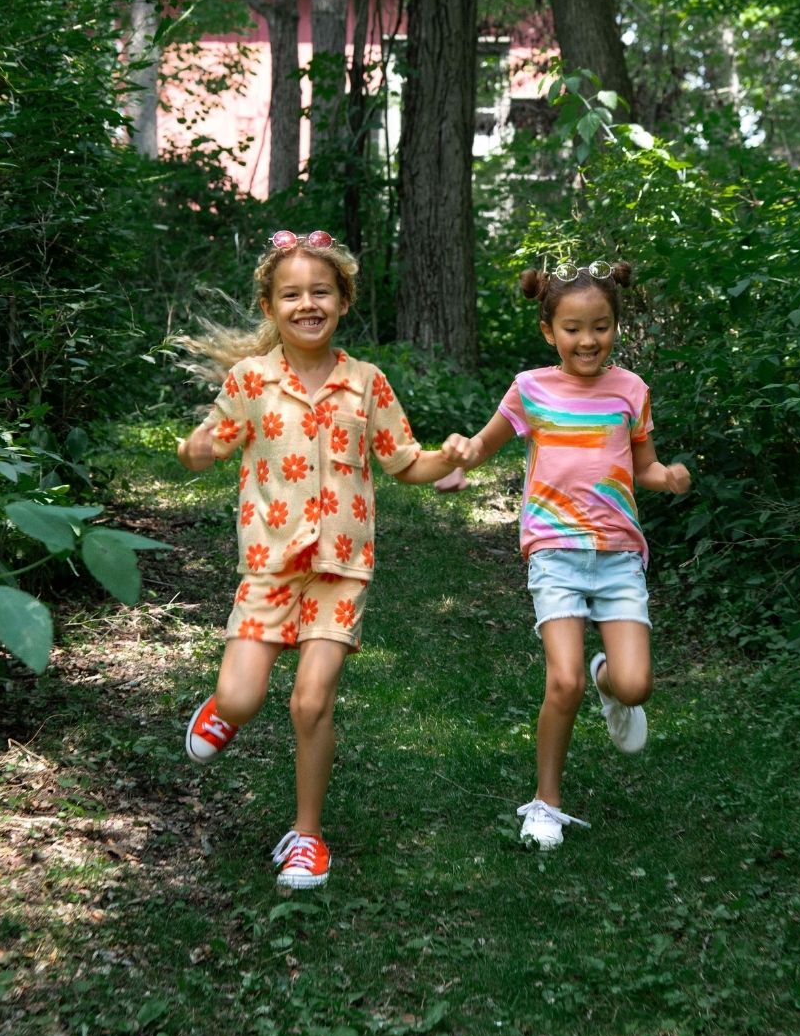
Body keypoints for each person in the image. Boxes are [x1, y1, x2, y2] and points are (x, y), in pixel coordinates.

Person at [176, 229, 460, 888]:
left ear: (343, 300)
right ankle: (223, 711)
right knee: (241, 696)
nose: (308, 304)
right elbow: (206, 449)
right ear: (270, 306)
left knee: (310, 703)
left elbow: (404, 461)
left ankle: (308, 837)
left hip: (341, 569)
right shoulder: (250, 380)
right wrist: (192, 450)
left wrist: (447, 459)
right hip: (269, 566)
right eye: (292, 294)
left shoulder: (366, 383)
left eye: (321, 292)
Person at [441, 259, 691, 850]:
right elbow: (484, 443)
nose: (588, 340)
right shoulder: (531, 388)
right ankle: (546, 802)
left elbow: (644, 465)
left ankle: (610, 680)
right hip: (554, 550)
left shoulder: (631, 390)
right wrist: (457, 459)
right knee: (563, 681)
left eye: (600, 327)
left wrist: (667, 477)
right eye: (573, 328)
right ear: (549, 331)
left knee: (635, 686)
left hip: (618, 555)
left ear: (615, 327)